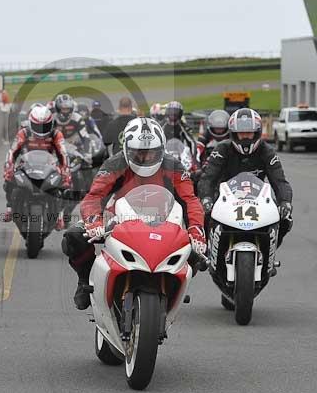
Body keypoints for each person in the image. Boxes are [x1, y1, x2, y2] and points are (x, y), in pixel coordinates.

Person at [60, 117, 206, 309]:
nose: (145, 158)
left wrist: (196, 230)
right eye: (138, 153)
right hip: (119, 221)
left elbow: (190, 200)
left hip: (165, 222)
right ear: (127, 149)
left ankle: (173, 289)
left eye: (151, 153)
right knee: (74, 236)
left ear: (161, 150)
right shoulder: (115, 163)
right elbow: (94, 196)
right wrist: (94, 222)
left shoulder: (174, 166)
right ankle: (84, 280)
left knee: (197, 254)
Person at [197, 108, 293, 245]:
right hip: (225, 198)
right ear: (233, 134)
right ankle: (207, 250)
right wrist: (206, 198)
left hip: (258, 199)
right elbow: (208, 178)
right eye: (241, 134)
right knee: (204, 215)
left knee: (286, 218)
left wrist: (285, 201)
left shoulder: (268, 152)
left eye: (249, 133)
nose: (246, 137)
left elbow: (280, 181)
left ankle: (269, 257)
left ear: (257, 133)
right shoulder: (222, 149)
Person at [3, 105, 72, 224]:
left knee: (65, 186)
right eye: (38, 126)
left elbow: (63, 154)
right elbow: (12, 151)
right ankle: (9, 208)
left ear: (50, 123)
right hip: (26, 165)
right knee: (9, 181)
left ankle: (59, 216)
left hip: (49, 165)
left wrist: (66, 174)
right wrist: (9, 168)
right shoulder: (23, 132)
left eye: (44, 126)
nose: (41, 129)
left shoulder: (56, 134)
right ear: (31, 123)